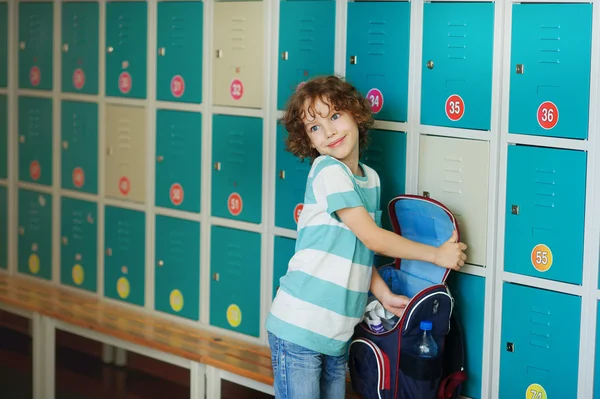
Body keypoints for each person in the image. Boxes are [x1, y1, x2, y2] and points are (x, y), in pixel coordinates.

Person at [265, 75, 467, 398]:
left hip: (336, 336)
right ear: (309, 141)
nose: (329, 132)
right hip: (299, 329)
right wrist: (436, 255)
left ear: (356, 115)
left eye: (334, 116)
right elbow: (373, 238)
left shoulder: (369, 179)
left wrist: (384, 294)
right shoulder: (328, 171)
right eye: (315, 127)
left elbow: (358, 247)